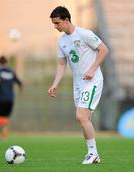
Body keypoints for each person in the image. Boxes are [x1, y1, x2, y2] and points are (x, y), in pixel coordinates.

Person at [48, 6, 108, 164]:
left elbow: (104, 50)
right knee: (85, 118)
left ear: (66, 20)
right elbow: (62, 65)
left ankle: (92, 153)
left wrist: (93, 69)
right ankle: (94, 155)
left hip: (92, 81)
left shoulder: (84, 34)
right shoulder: (61, 41)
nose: (55, 26)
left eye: (57, 23)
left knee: (81, 116)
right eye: (54, 23)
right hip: (78, 84)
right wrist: (55, 84)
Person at [0, 55, 23, 139]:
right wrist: (20, 93)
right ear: (7, 62)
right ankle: (4, 135)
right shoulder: (11, 72)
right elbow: (20, 84)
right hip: (10, 99)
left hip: (1, 98)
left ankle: (5, 127)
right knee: (5, 116)